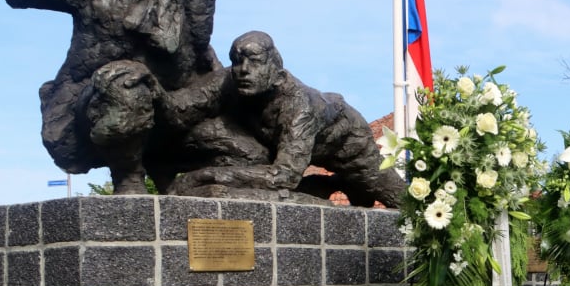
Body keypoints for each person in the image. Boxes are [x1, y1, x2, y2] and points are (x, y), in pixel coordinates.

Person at [0, 0, 219, 193]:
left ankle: (188, 183)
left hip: (172, 107)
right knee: (127, 82)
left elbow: (201, 57)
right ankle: (129, 179)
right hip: (98, 105)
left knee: (248, 141)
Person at [160, 31, 404, 207]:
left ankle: (333, 183)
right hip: (280, 150)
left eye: (254, 62)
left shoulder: (300, 107)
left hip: (350, 146)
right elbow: (181, 107)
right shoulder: (232, 80)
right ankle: (327, 185)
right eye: (237, 60)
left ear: (275, 72)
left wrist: (204, 176)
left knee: (405, 204)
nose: (243, 69)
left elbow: (284, 176)